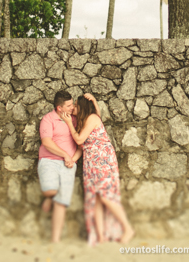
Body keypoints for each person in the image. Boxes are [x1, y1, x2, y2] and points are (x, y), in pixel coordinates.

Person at [61, 94, 134, 245]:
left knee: (106, 195)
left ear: (82, 108)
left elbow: (80, 139)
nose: (73, 107)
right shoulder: (84, 122)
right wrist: (94, 101)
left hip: (103, 160)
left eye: (76, 105)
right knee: (97, 199)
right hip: (91, 162)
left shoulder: (92, 118)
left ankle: (128, 228)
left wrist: (68, 123)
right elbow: (82, 145)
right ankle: (100, 236)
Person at [38, 90, 82, 243]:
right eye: (69, 105)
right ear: (59, 108)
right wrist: (65, 154)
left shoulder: (75, 120)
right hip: (49, 160)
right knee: (52, 190)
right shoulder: (48, 119)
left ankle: (55, 240)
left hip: (69, 164)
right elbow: (47, 142)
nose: (72, 107)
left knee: (61, 202)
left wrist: (72, 160)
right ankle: (49, 196)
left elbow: (81, 144)